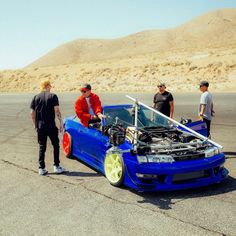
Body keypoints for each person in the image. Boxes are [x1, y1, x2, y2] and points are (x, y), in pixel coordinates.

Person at [30, 80, 65, 175]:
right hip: (50, 126)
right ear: (47, 86)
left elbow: (32, 114)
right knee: (55, 145)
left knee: (42, 147)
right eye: (50, 85)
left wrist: (35, 125)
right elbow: (57, 110)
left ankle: (41, 168)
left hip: (40, 127)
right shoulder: (53, 96)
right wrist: (61, 123)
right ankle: (56, 166)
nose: (51, 87)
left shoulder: (35, 97)